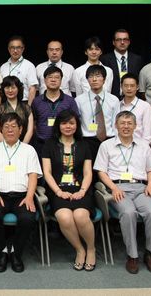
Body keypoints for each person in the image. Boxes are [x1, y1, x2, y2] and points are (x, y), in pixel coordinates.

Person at [94, 111, 151, 274]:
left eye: (129, 123)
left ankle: (150, 253)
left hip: (141, 188)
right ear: (116, 126)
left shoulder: (144, 146)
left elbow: (150, 170)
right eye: (122, 123)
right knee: (128, 212)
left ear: (135, 126)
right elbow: (101, 172)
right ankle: (132, 255)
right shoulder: (106, 145)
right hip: (118, 188)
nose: (126, 126)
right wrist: (114, 188)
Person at [0, 112, 42, 273]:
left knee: (27, 218)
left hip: (22, 196)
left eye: (14, 126)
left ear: (21, 130)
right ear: (1, 130)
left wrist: (29, 197)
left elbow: (33, 175)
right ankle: (2, 252)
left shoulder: (29, 150)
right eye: (6, 126)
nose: (10, 129)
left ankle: (15, 253)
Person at [41, 109, 96, 271]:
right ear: (58, 125)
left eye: (71, 123)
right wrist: (58, 192)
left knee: (80, 216)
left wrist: (82, 191)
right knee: (64, 217)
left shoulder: (84, 145)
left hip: (81, 189)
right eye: (64, 123)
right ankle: (80, 249)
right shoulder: (49, 145)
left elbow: (88, 173)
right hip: (57, 190)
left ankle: (91, 249)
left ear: (77, 125)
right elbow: (47, 172)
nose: (68, 126)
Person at [31, 66, 79, 156]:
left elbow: (75, 122)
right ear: (44, 80)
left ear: (61, 81)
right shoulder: (36, 101)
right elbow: (33, 123)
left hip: (63, 145)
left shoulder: (70, 101)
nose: (53, 80)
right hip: (41, 144)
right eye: (50, 77)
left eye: (57, 77)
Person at [74, 65, 120, 157]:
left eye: (98, 76)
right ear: (87, 80)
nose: (94, 79)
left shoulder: (113, 100)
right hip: (87, 141)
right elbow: (78, 123)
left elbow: (116, 123)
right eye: (91, 76)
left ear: (104, 79)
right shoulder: (79, 100)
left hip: (109, 140)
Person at [101, 29, 144, 97]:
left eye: (125, 39)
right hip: (111, 98)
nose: (122, 42)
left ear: (129, 42)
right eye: (118, 40)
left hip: (132, 98)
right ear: (113, 42)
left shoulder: (137, 59)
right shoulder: (104, 59)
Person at [0, 76, 34, 144]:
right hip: (3, 146)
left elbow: (30, 131)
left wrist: (22, 147)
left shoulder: (26, 108)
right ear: (3, 89)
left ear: (18, 89)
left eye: (13, 87)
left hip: (24, 145)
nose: (10, 90)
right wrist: (7, 147)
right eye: (7, 88)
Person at [0, 35, 38, 105]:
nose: (15, 50)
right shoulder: (3, 67)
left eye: (18, 47)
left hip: (23, 103)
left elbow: (32, 88)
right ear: (8, 49)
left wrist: (28, 107)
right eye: (12, 48)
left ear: (23, 49)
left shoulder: (29, 65)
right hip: (6, 104)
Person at [119, 73, 151, 146]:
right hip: (119, 146)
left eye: (132, 86)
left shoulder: (145, 106)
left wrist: (142, 148)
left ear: (137, 87)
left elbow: (148, 134)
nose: (129, 88)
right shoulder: (117, 105)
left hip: (139, 147)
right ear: (121, 87)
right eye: (126, 86)